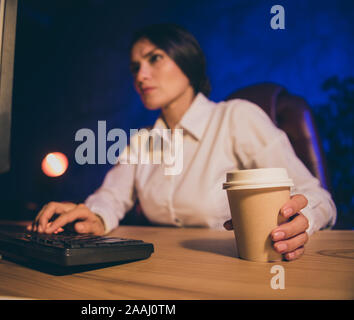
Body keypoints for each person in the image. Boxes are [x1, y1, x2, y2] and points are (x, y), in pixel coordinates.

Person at [28, 24, 336, 261]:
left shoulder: (236, 117)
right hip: (160, 266)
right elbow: (111, 195)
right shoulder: (144, 141)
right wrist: (93, 215)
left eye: (154, 58)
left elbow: (316, 196)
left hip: (231, 269)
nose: (141, 75)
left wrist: (303, 223)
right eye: (135, 67)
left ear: (186, 62)